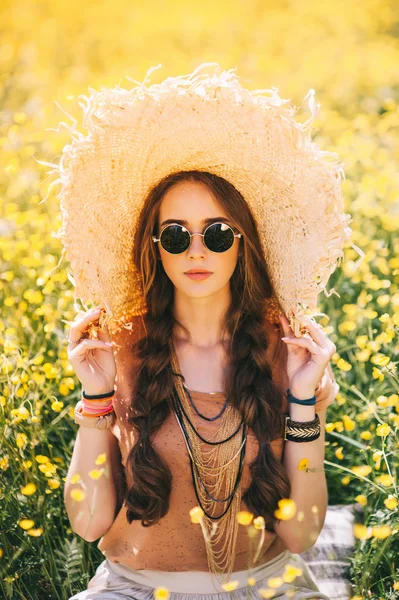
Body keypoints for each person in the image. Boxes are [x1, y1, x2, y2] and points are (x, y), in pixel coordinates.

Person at [39, 63, 363, 599]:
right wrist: (96, 396)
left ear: (242, 242)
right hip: (135, 589)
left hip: (268, 586)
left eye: (215, 233)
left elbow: (301, 534)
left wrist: (303, 400)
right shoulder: (120, 349)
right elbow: (88, 523)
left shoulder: (288, 355)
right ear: (154, 246)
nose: (195, 250)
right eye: (174, 234)